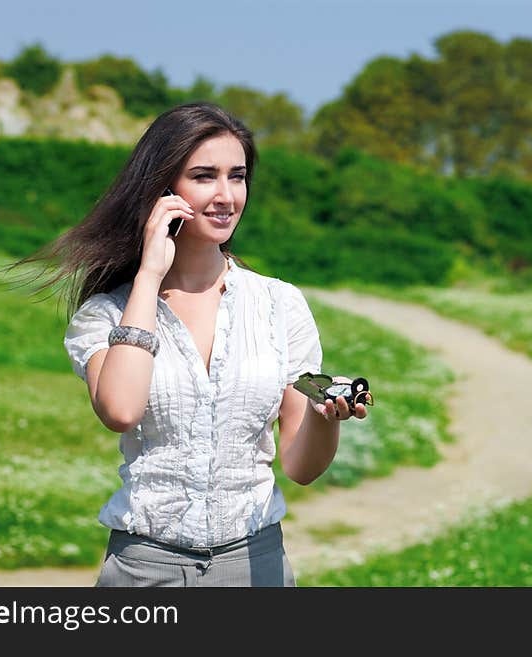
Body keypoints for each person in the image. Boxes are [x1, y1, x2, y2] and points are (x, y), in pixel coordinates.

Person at [27, 102, 370, 587]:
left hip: (257, 568)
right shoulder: (108, 312)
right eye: (205, 176)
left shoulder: (280, 305)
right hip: (145, 571)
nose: (227, 196)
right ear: (164, 189)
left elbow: (301, 465)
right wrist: (149, 274)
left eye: (238, 176)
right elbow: (120, 410)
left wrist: (325, 418)